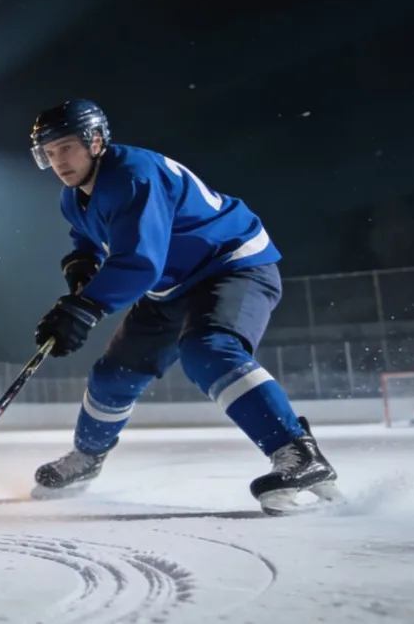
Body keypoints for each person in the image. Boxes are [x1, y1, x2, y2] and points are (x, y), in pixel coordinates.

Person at [27, 99, 340, 515]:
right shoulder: (74, 196)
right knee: (113, 375)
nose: (58, 161)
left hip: (231, 266)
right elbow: (88, 235)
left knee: (208, 349)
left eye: (66, 147)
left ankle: (299, 454)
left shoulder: (132, 176)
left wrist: (85, 307)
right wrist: (83, 264)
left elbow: (140, 262)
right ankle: (86, 459)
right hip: (171, 288)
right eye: (49, 152)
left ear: (96, 141)